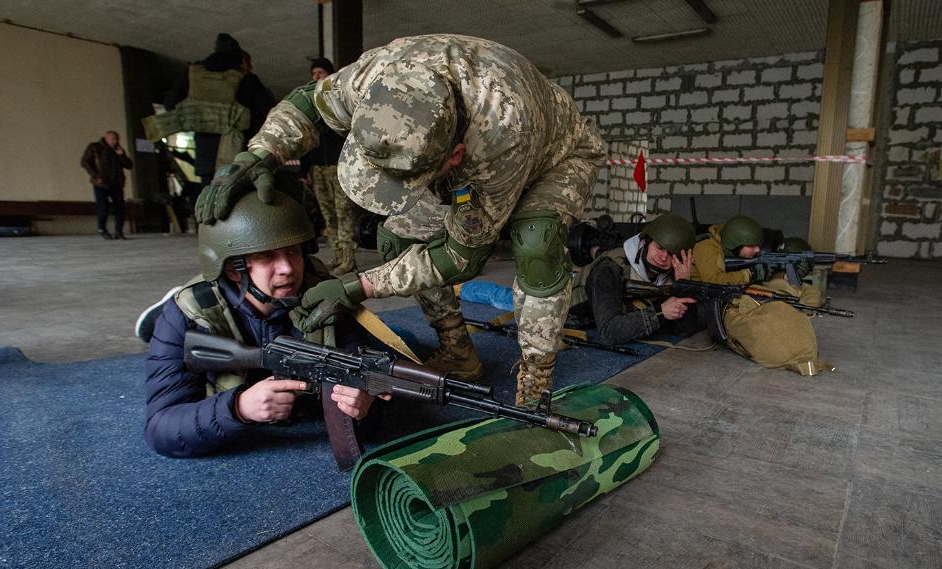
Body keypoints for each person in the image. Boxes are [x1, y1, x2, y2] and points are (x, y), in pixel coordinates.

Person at [195, 34, 606, 404]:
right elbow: (309, 103)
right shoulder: (376, 77)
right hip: (468, 142)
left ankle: (537, 377)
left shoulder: (501, 132)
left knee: (537, 241)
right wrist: (259, 153)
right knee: (396, 240)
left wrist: (359, 286)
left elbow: (465, 255)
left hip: (556, 154)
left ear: (453, 159)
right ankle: (457, 351)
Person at [143, 190, 383, 457]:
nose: (288, 268)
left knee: (397, 340)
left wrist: (364, 404)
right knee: (168, 339)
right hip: (213, 327)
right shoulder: (186, 317)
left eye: (293, 251)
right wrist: (238, 408)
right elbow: (160, 428)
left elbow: (363, 379)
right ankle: (155, 322)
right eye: (267, 256)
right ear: (235, 269)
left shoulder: (324, 298)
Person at [691, 215, 832, 376]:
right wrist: (750, 274)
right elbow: (713, 282)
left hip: (737, 291)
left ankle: (791, 315)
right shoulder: (706, 248)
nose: (757, 250)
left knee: (805, 292)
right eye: (751, 246)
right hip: (714, 300)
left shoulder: (731, 250)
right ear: (734, 243)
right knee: (761, 320)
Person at [144, 33, 275, 186]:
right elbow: (268, 112)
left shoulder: (194, 74)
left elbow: (170, 103)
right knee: (237, 197)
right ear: (238, 58)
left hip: (205, 155)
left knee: (208, 199)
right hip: (237, 151)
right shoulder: (247, 79)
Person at [568, 212, 700, 347]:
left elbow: (684, 330)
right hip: (573, 319)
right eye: (659, 248)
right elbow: (609, 333)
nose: (663, 257)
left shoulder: (672, 274)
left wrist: (684, 286)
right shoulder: (610, 268)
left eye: (671, 253)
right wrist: (659, 312)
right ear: (645, 242)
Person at [299, 57, 368, 276]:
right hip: (319, 168)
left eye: (320, 72)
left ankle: (348, 258)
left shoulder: (341, 98)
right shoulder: (312, 104)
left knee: (344, 212)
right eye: (313, 73)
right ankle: (337, 256)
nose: (316, 77)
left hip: (340, 166)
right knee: (328, 214)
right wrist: (306, 169)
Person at [80, 130, 133, 240]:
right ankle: (102, 229)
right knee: (103, 207)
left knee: (120, 208)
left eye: (117, 139)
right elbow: (85, 162)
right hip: (101, 183)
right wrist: (95, 176)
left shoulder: (118, 150)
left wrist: (122, 155)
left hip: (116, 182)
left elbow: (129, 165)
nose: (115, 142)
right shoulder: (95, 147)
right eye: (113, 139)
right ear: (107, 138)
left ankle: (119, 231)